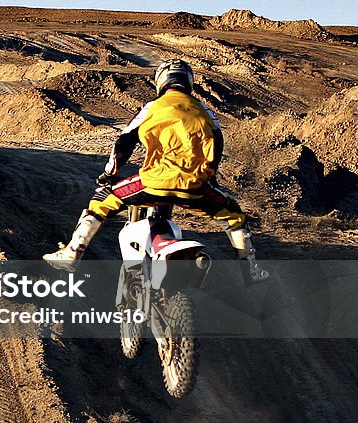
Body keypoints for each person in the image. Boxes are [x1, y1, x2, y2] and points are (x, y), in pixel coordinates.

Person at [43, 58, 267, 280]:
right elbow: (217, 144)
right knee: (234, 216)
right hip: (195, 185)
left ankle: (72, 253)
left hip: (155, 182)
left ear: (161, 81)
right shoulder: (205, 110)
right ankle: (251, 271)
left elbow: (123, 143)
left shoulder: (152, 107)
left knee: (102, 199)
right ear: (188, 82)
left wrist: (110, 173)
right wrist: (210, 177)